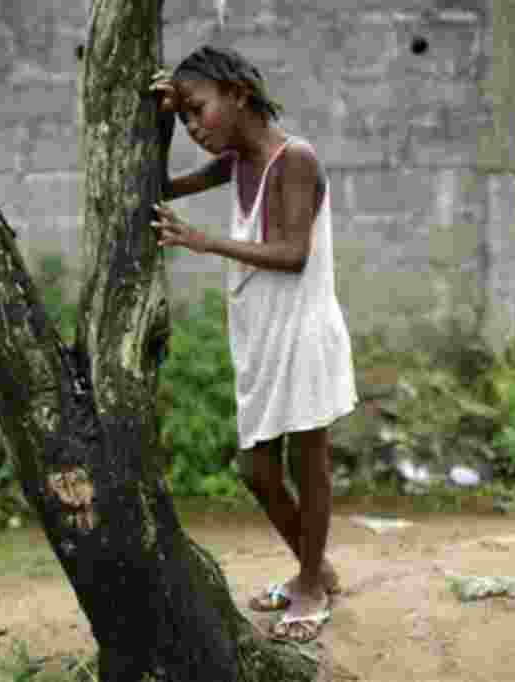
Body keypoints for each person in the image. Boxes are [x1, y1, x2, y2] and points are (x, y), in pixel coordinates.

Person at [149, 45, 358, 644]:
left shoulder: (294, 160)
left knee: (305, 462)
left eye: (197, 110)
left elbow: (293, 255)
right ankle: (315, 570)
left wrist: (203, 242)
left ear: (238, 93)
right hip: (261, 336)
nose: (193, 127)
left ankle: (312, 585)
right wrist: (160, 118)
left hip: (302, 332)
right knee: (257, 468)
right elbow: (163, 183)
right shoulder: (237, 159)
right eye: (184, 117)